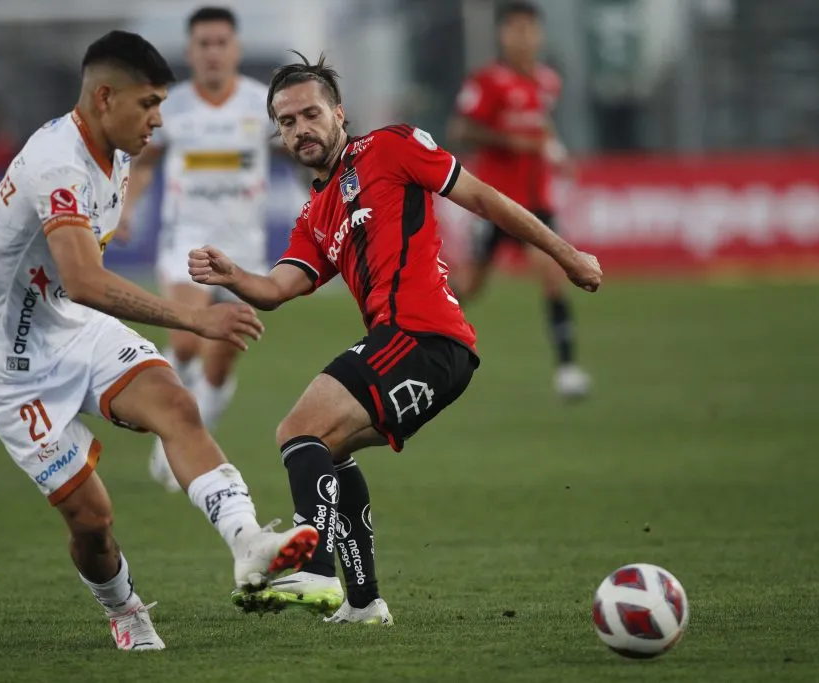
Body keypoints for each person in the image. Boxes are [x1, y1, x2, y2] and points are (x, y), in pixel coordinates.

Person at [186, 52, 602, 625]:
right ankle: (364, 604)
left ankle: (317, 570)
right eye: (287, 122)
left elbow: (484, 198)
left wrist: (567, 254)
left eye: (311, 114)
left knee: (298, 430)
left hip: (426, 335)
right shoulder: (315, 214)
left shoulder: (391, 147)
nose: (301, 129)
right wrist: (233, 275)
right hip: (416, 347)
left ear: (339, 113)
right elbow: (278, 288)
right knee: (328, 449)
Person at [0, 30, 318, 651]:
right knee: (92, 521)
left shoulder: (120, 151)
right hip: (11, 365)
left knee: (177, 404)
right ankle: (124, 610)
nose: (159, 119)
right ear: (105, 98)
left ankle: (249, 543)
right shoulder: (57, 163)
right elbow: (84, 280)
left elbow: (77, 286)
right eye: (149, 104)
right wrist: (197, 319)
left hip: (72, 326)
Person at [116, 7, 278, 492]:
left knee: (221, 360)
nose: (212, 52)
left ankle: (195, 421)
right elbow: (145, 163)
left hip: (244, 249)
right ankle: (178, 435)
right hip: (186, 238)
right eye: (204, 44)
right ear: (190, 51)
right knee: (187, 340)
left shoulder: (262, 105)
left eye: (221, 43)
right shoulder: (173, 108)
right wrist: (126, 209)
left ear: (236, 49)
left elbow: (298, 153)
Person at [447, 1, 592, 399]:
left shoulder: (547, 81)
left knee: (553, 275)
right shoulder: (487, 81)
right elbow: (461, 129)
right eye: (515, 29)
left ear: (539, 34)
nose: (523, 37)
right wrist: (508, 141)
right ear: (503, 34)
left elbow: (542, 126)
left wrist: (558, 154)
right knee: (469, 285)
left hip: (535, 203)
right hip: (493, 202)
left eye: (529, 29)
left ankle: (568, 370)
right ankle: (411, 327)